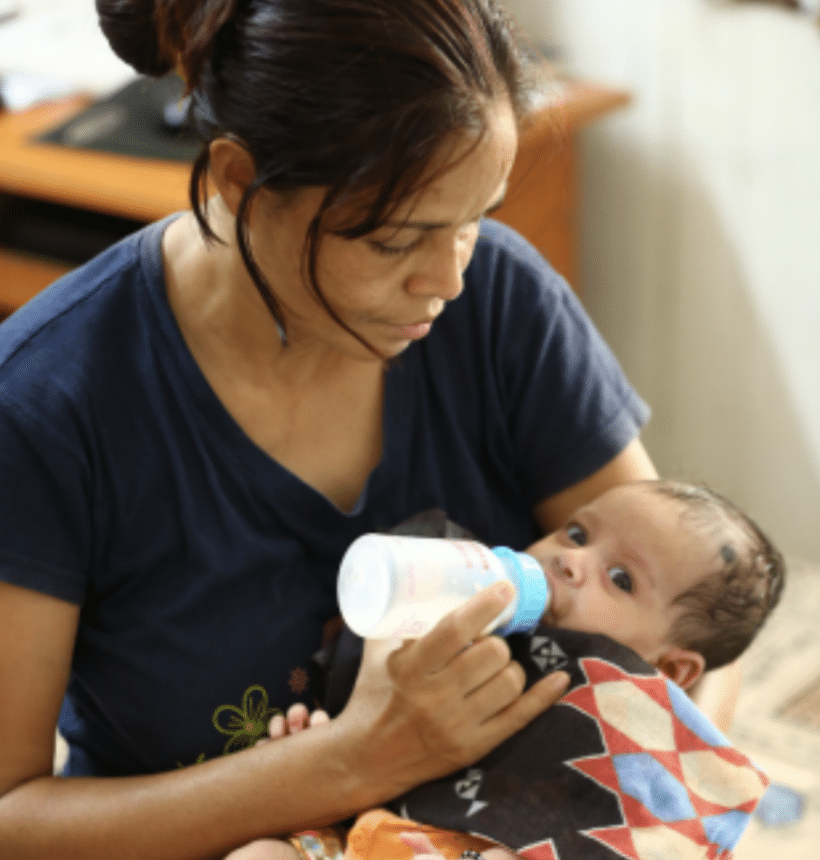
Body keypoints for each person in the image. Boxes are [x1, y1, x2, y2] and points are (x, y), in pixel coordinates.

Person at [1, 1, 698, 858]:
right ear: (235, 181)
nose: (445, 279)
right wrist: (352, 762)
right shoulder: (43, 407)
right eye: (396, 239)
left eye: (474, 219)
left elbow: (686, 615)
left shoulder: (502, 300)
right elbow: (12, 819)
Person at [248, 479, 785, 860]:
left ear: (670, 666)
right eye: (577, 533)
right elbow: (357, 733)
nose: (570, 560)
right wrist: (311, 742)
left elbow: (661, 835)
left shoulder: (634, 739)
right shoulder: (463, 621)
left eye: (620, 579)